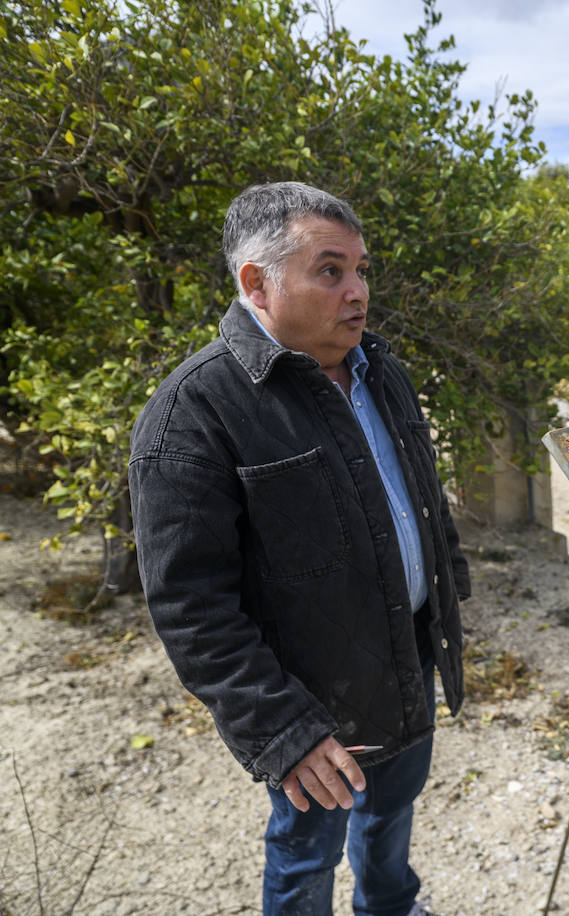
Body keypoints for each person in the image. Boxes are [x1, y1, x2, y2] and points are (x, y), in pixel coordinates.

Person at [130, 182, 469, 916]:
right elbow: (191, 606)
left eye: (361, 269)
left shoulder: (382, 372)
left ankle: (389, 905)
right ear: (256, 282)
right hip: (311, 698)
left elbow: (419, 494)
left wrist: (449, 593)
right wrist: (282, 732)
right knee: (306, 849)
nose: (358, 292)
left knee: (392, 812)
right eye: (330, 271)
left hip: (409, 657)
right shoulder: (193, 413)